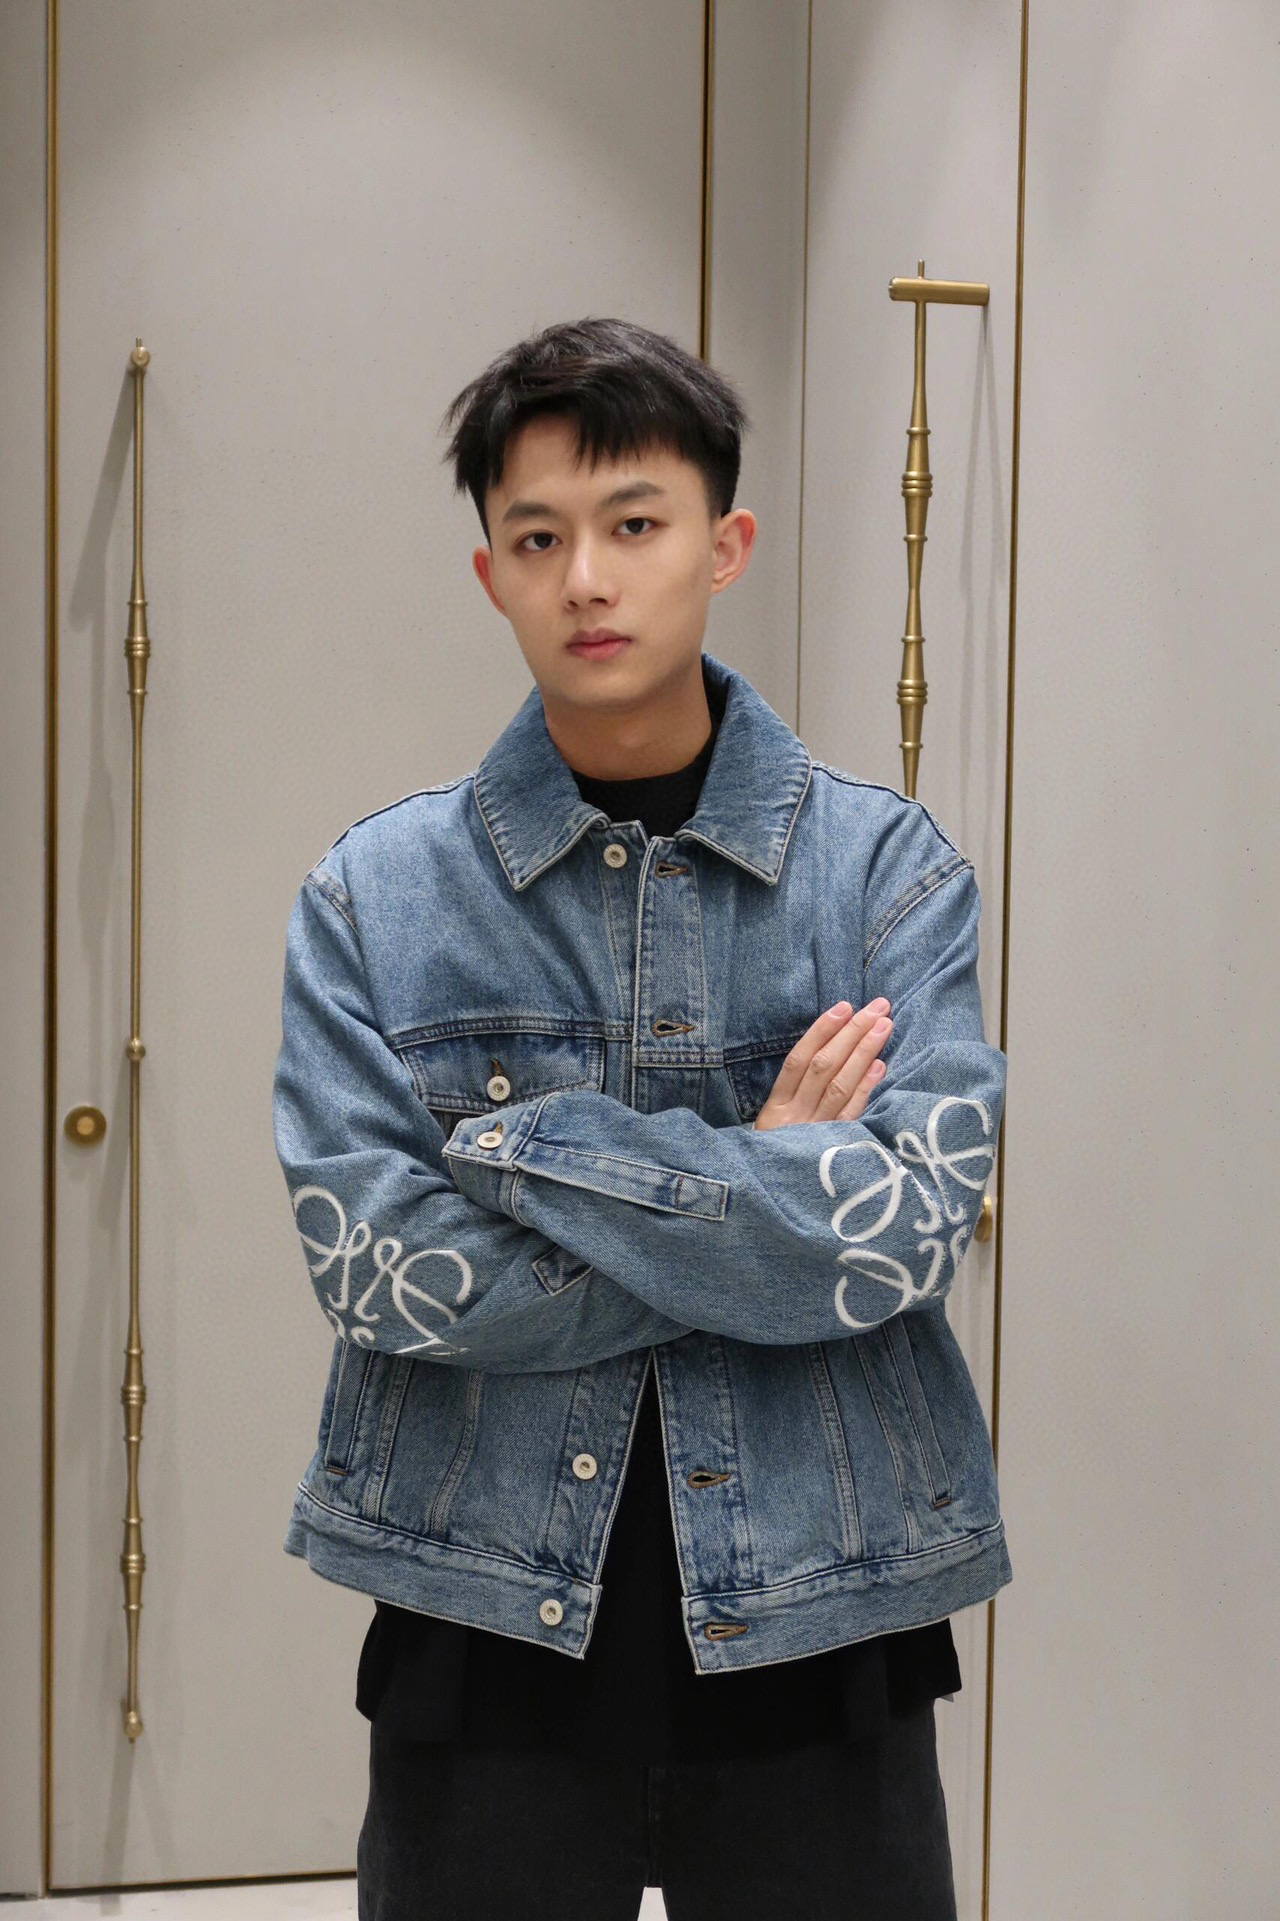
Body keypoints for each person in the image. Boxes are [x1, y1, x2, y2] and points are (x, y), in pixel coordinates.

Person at [272, 316, 1010, 1918]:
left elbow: (902, 1238)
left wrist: (527, 1153)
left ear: (723, 545)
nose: (587, 579)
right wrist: (766, 1190)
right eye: (539, 538)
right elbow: (381, 1272)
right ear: (491, 574)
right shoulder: (372, 900)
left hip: (831, 1620)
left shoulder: (887, 875)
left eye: (634, 523)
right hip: (485, 1637)